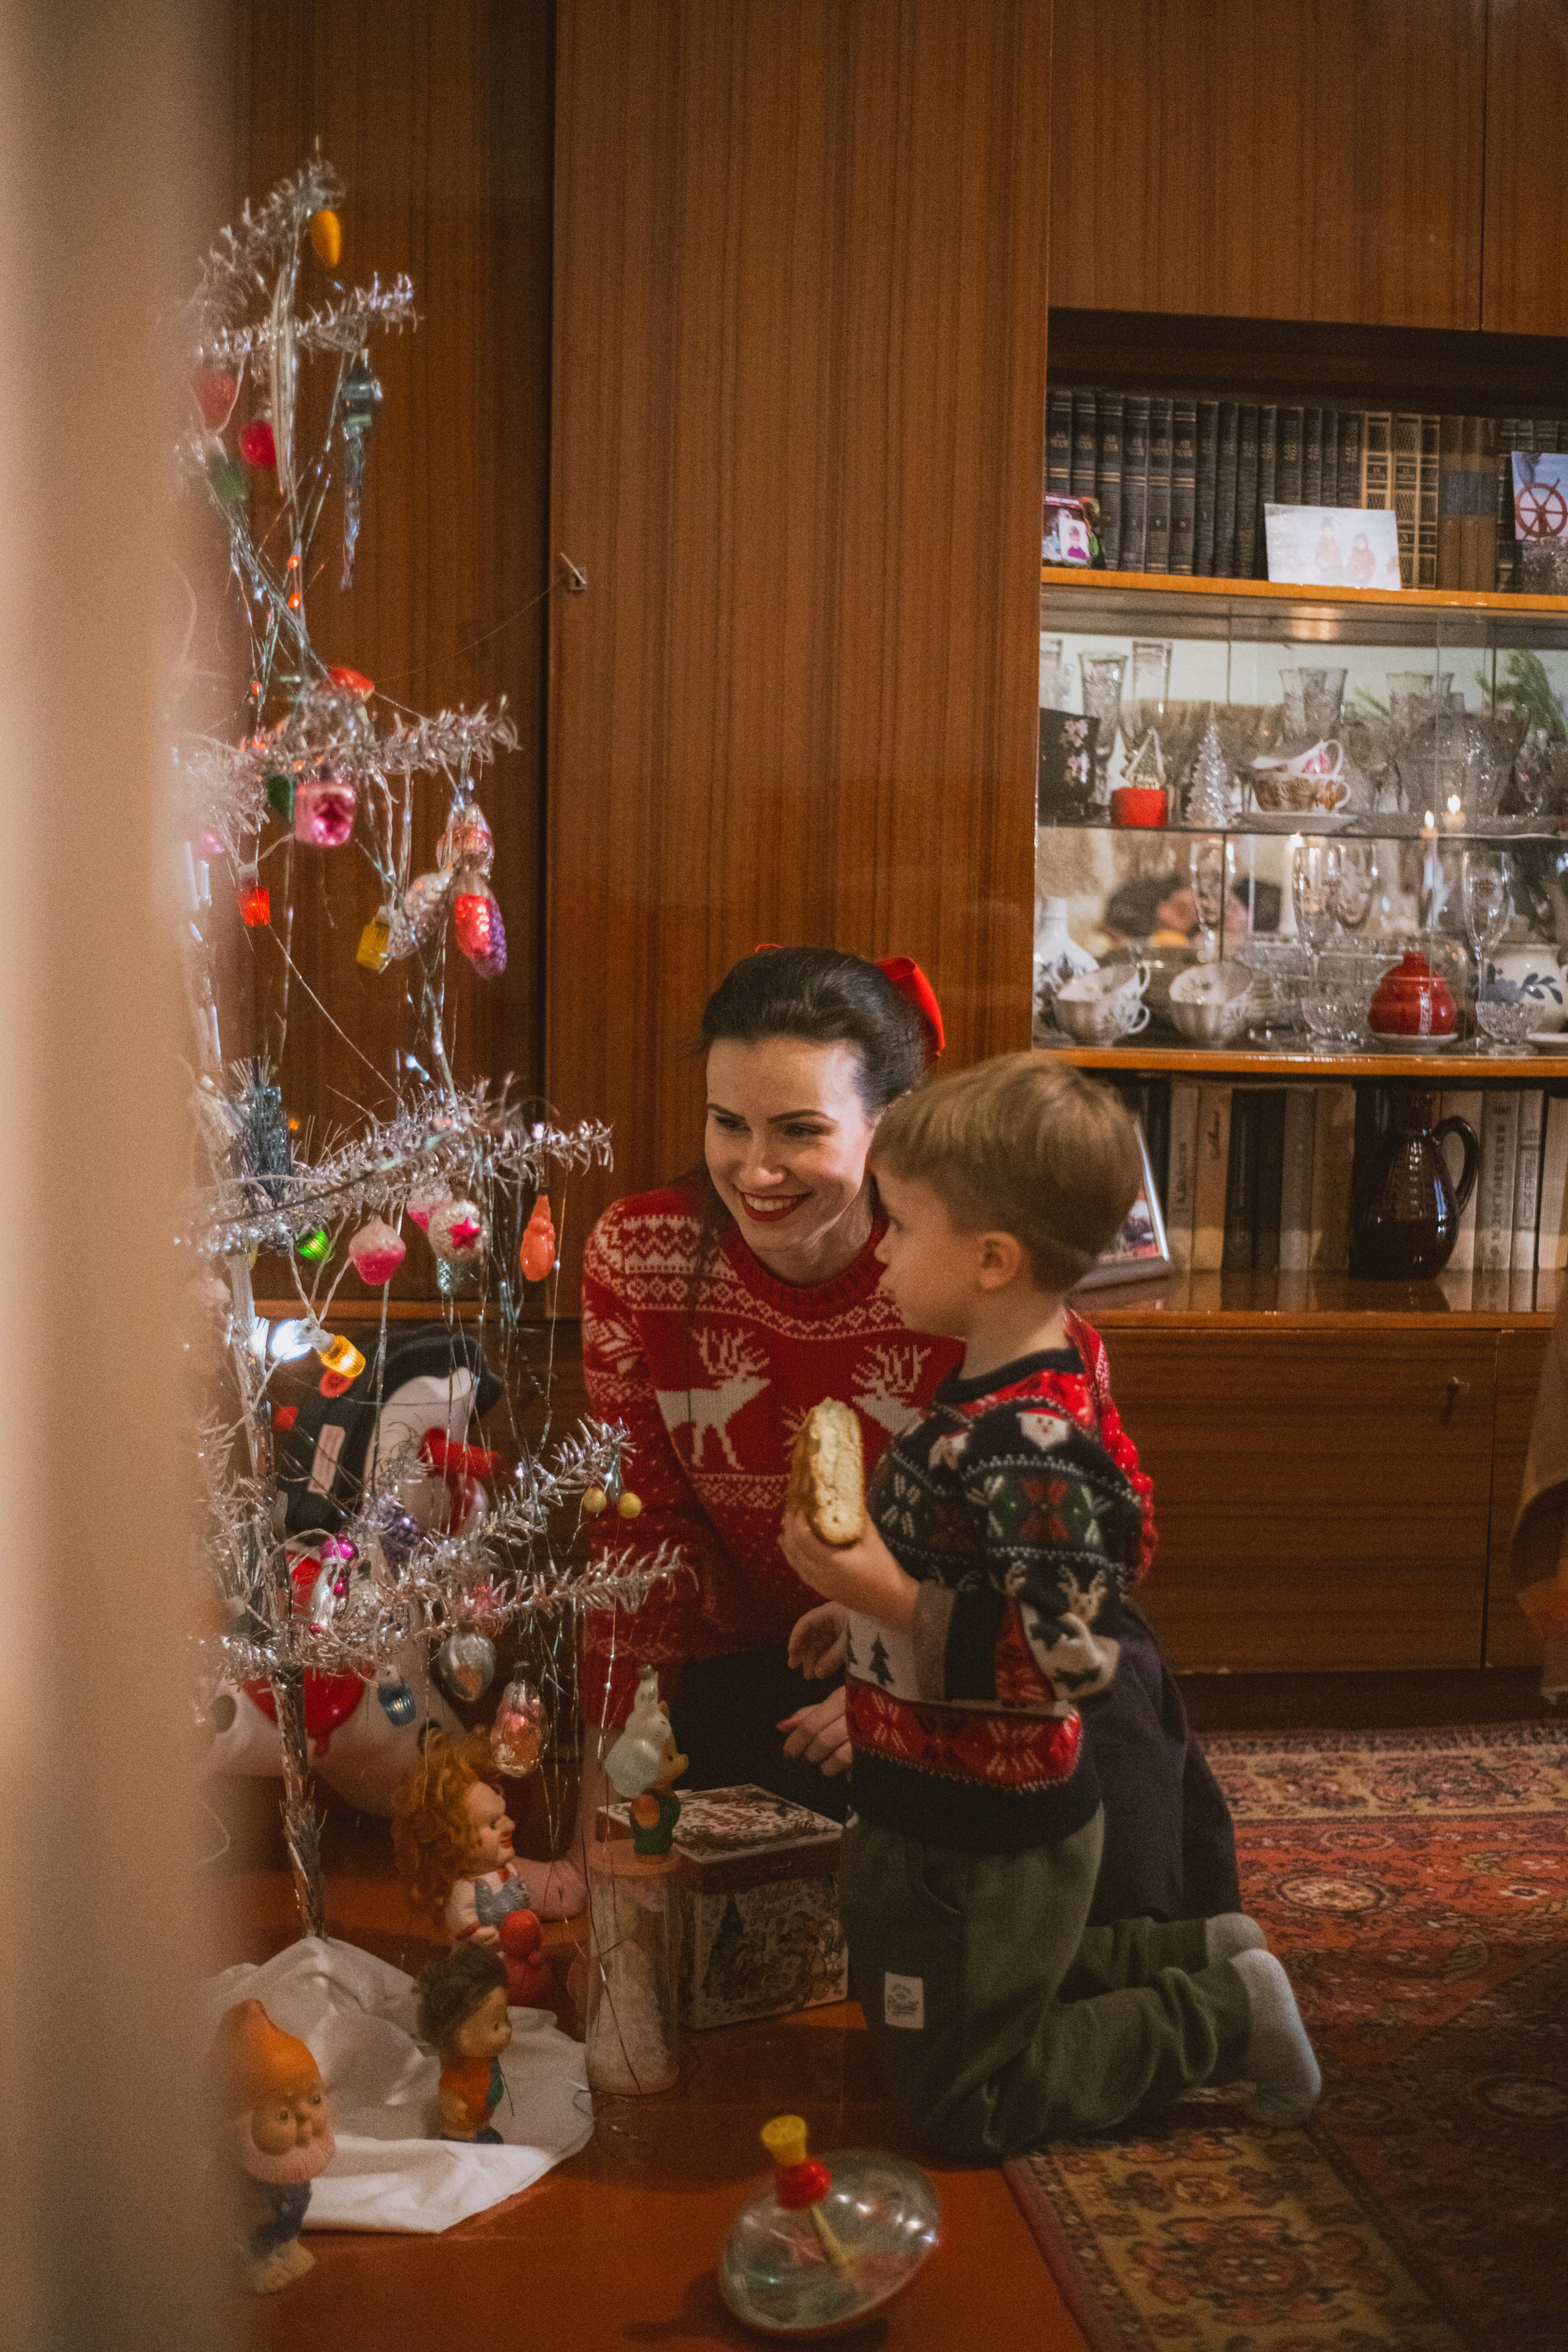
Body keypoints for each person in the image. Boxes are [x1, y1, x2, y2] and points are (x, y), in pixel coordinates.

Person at [580, 945, 1240, 1924]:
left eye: (799, 1131)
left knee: (1108, 1721)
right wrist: (601, 1794)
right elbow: (636, 1537)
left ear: (889, 1130)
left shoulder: (967, 1272)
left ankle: (1146, 1993)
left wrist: (900, 1675)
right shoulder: (639, 1256)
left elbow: (1099, 1549)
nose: (752, 1169)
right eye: (728, 1123)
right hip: (766, 1669)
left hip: (975, 1651)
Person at [780, 1054, 1321, 2157]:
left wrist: (879, 1587)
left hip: (986, 1825)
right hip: (934, 1794)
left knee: (959, 2105)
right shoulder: (991, 1382)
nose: (876, 1248)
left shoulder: (1036, 1442)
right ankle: (1206, 1950)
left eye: (898, 1225)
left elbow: (1063, 1658)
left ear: (991, 1260)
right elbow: (970, 1572)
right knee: (978, 1973)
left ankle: (1221, 2016)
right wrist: (866, 1620)